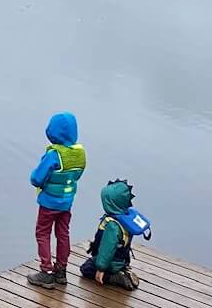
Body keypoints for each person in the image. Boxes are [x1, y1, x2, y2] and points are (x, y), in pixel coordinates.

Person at [25, 111, 85, 289]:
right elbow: (78, 175)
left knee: (42, 233)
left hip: (49, 203)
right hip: (66, 203)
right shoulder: (80, 154)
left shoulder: (53, 155)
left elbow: (37, 178)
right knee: (63, 234)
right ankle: (61, 271)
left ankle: (46, 272)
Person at [81, 178, 151, 291]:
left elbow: (107, 249)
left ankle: (114, 277)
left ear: (109, 203)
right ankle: (123, 272)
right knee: (100, 263)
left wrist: (101, 268)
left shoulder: (112, 225)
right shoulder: (127, 219)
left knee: (86, 268)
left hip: (110, 263)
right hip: (121, 261)